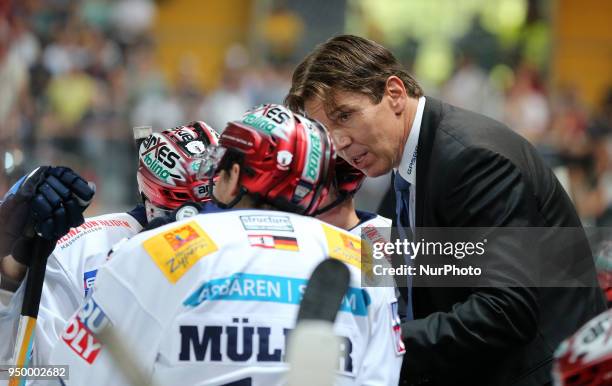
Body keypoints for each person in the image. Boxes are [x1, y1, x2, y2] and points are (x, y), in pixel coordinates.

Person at [285, 34, 606, 385]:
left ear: (394, 93)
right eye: (324, 130)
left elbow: (506, 311)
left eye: (345, 116)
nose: (339, 142)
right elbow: (400, 286)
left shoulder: (472, 158)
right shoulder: (405, 166)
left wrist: (373, 343)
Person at [50, 104, 403, 385]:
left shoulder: (155, 248)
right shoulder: (369, 255)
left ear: (235, 176)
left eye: (222, 168)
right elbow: (383, 375)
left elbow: (68, 374)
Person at [0, 121, 220, 366]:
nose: (214, 218)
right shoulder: (78, 250)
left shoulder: (241, 248)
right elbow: (27, 371)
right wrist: (10, 275)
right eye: (202, 207)